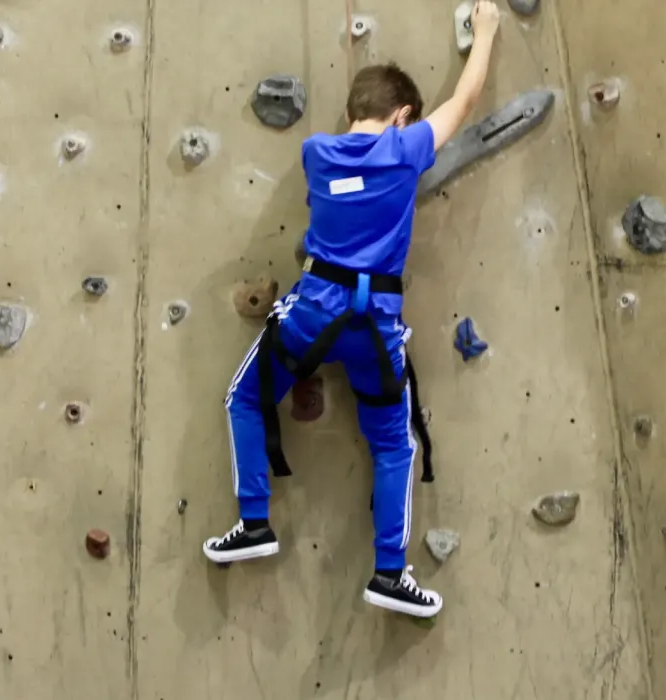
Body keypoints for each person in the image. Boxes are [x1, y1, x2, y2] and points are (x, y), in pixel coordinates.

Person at [202, 1, 502, 617]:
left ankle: (255, 522)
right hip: (376, 324)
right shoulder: (407, 149)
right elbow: (465, 102)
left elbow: (342, 176)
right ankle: (390, 572)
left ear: (350, 114)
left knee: (247, 398)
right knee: (393, 445)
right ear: (404, 116)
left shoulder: (317, 152)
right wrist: (488, 34)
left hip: (314, 310)